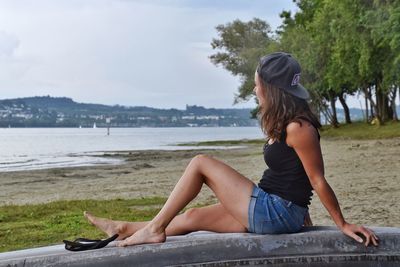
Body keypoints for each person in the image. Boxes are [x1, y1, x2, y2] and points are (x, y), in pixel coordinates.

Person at [84, 52, 378, 247]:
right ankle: (123, 228)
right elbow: (294, 174)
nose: (254, 90)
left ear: (271, 88)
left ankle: (154, 229)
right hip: (274, 207)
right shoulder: (285, 122)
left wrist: (341, 223)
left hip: (274, 212)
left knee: (200, 162)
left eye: (256, 85)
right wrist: (302, 215)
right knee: (193, 216)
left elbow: (316, 180)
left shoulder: (298, 128)